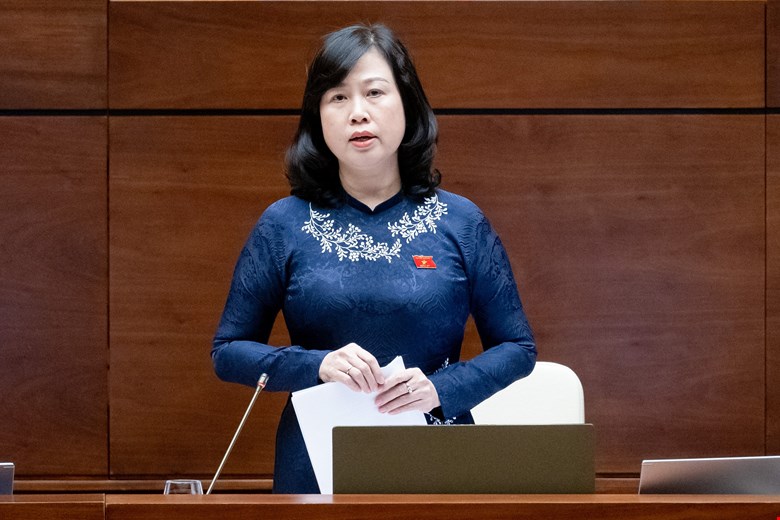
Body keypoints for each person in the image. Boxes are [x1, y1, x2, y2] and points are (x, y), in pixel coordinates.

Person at [211, 23, 537, 494]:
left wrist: (439, 389)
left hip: (439, 454)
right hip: (317, 460)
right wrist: (317, 366)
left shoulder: (461, 221)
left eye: (374, 92)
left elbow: (518, 348)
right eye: (337, 98)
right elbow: (228, 352)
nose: (357, 114)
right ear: (317, 117)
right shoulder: (282, 224)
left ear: (407, 104)